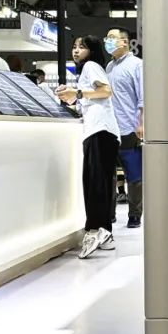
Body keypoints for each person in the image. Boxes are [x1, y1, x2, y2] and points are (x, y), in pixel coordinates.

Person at [56, 36, 121, 259]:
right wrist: (74, 97)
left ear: (91, 50)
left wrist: (78, 93)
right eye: (74, 47)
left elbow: (106, 91)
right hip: (102, 132)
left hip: (100, 131)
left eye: (81, 47)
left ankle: (94, 230)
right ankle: (105, 233)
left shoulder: (91, 66)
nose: (76, 50)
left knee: (94, 184)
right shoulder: (88, 70)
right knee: (100, 183)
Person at [104, 28, 144, 229]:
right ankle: (109, 214)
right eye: (107, 38)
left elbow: (143, 97)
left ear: (125, 42)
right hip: (110, 128)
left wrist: (141, 123)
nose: (108, 41)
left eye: (112, 38)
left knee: (134, 175)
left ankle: (135, 214)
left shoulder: (137, 65)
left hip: (130, 128)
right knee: (108, 175)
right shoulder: (109, 66)